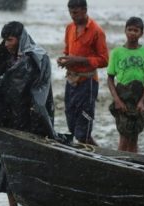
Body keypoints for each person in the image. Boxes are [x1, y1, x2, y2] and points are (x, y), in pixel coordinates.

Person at [0, 21, 57, 206]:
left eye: (9, 40)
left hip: (30, 121)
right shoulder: (6, 58)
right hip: (9, 121)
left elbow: (37, 93)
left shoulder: (36, 57)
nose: (6, 44)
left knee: (30, 167)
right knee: (8, 166)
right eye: (4, 40)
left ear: (20, 39)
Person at [57, 0, 109, 145]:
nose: (73, 15)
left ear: (85, 10)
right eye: (70, 12)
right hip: (71, 81)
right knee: (72, 126)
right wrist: (63, 61)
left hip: (88, 83)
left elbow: (104, 60)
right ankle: (91, 155)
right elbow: (67, 52)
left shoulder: (97, 31)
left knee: (83, 131)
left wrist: (79, 60)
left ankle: (99, 158)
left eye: (76, 12)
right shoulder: (69, 28)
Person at [107, 17, 144, 153]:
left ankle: (134, 165)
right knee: (123, 135)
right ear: (125, 31)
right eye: (130, 29)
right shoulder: (117, 52)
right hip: (123, 96)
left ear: (141, 33)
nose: (132, 33)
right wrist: (117, 100)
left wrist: (142, 101)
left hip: (138, 97)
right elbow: (110, 78)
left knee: (134, 136)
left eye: (136, 30)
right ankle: (120, 166)